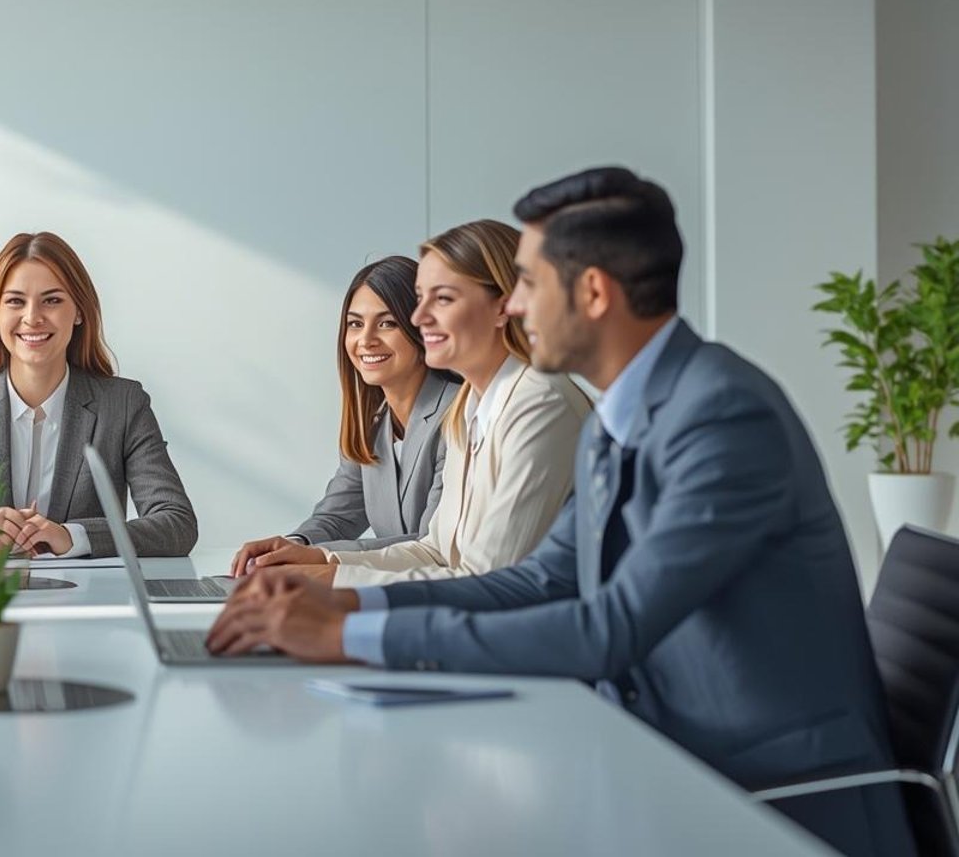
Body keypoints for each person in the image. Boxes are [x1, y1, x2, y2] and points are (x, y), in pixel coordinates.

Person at [207, 167, 912, 857]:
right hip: (667, 753)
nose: (513, 306)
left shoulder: (722, 413)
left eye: (530, 284)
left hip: (770, 795)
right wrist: (344, 606)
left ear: (595, 292)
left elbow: (612, 627)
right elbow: (542, 580)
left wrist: (352, 638)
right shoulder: (618, 417)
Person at [244, 221, 589, 586]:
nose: (420, 317)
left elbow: (490, 581)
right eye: (421, 298)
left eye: (442, 298)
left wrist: (333, 581)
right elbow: (435, 550)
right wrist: (322, 561)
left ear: (503, 307)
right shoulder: (470, 407)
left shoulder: (539, 405)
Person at [0, 231, 197, 558]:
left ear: (78, 312)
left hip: (89, 603)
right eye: (15, 301)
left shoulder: (123, 405)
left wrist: (74, 537)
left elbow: (177, 523)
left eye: (52, 300)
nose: (32, 317)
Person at [229, 256, 458, 577]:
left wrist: (317, 557)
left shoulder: (458, 413)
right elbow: (338, 517)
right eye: (355, 324)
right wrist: (291, 545)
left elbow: (431, 545)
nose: (366, 340)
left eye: (387, 323)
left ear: (421, 330)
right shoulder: (372, 424)